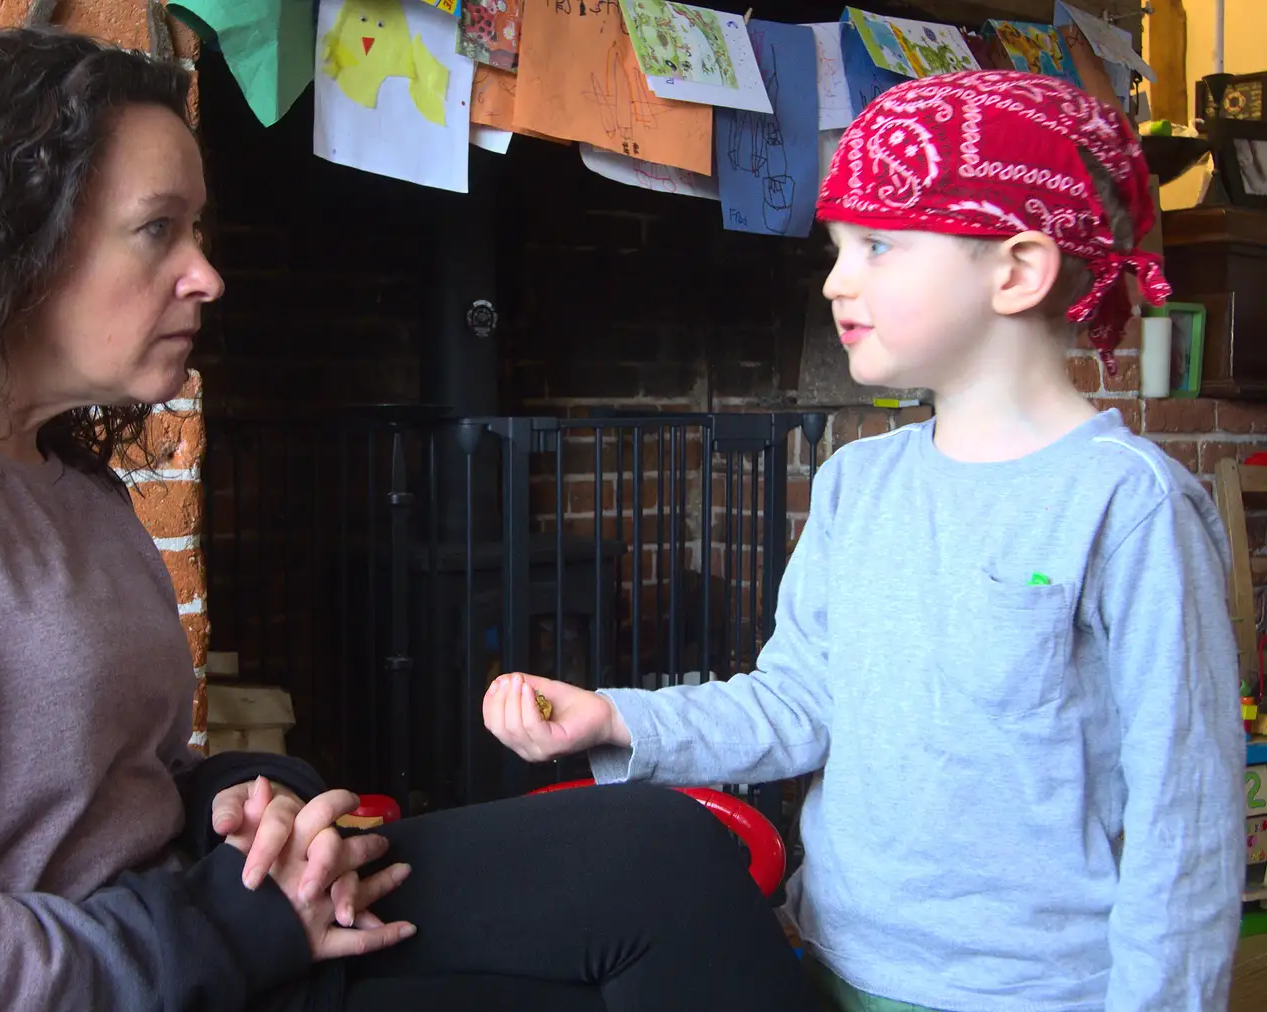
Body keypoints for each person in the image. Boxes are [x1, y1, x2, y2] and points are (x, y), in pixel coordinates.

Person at [0, 26, 817, 1012]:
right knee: (650, 905)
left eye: (200, 230)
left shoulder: (65, 475)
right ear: (4, 234)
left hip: (194, 923)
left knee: (663, 849)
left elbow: (118, 779)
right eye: (156, 229)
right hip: (151, 968)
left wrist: (243, 800)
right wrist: (220, 934)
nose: (206, 274)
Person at [488, 71, 1245, 1012]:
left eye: (878, 244)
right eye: (839, 246)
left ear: (1016, 269)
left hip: (1038, 993)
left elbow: (1188, 821)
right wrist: (619, 718)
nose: (837, 278)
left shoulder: (1128, 508)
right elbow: (803, 702)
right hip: (836, 962)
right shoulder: (858, 481)